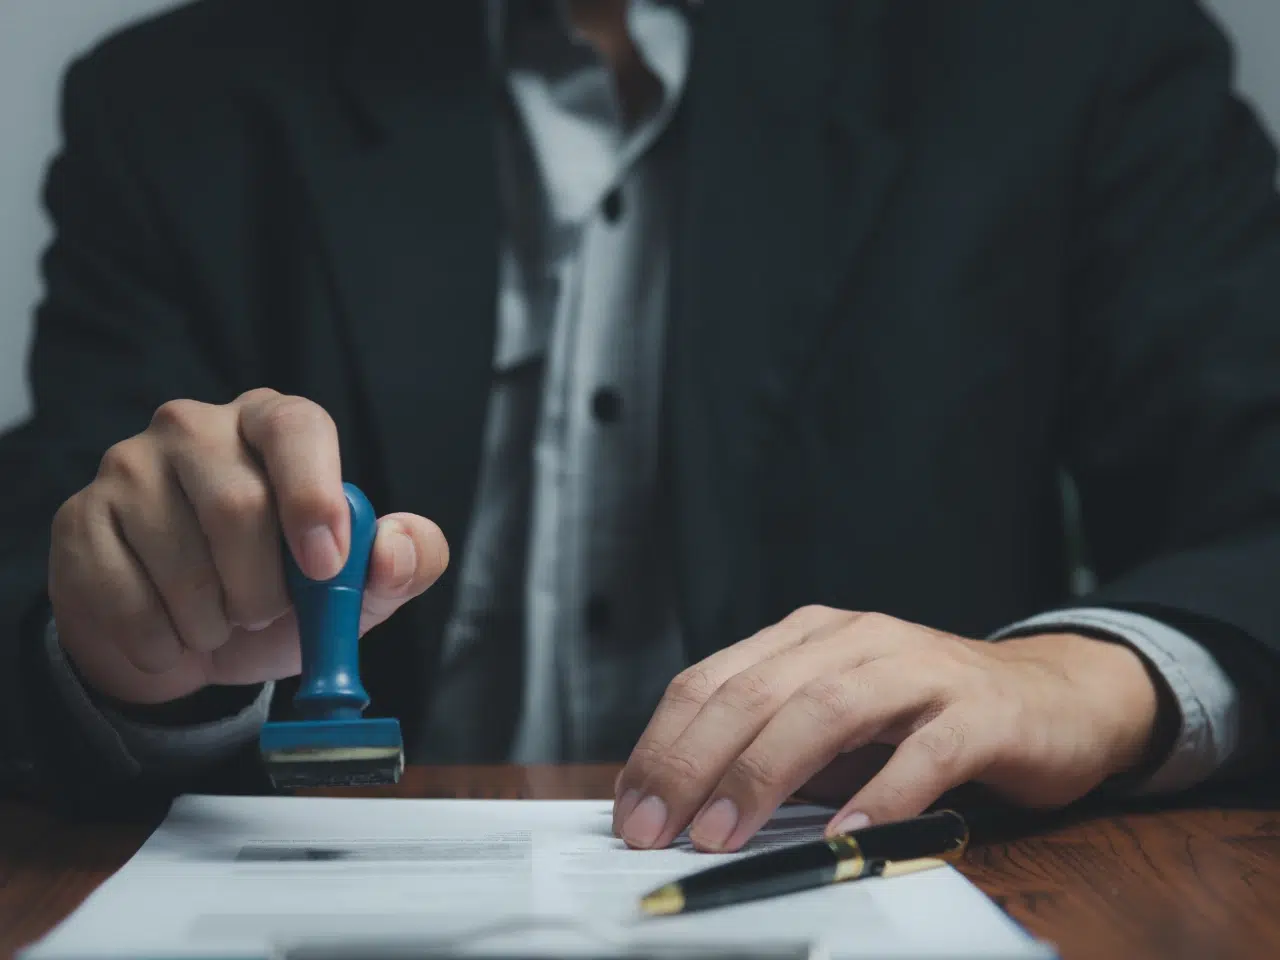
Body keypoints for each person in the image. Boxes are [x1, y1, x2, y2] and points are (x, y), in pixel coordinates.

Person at [2, 0, 1279, 852]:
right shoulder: (172, 103)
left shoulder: (1077, 50)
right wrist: (126, 650)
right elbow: (45, 577)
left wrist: (1077, 679)